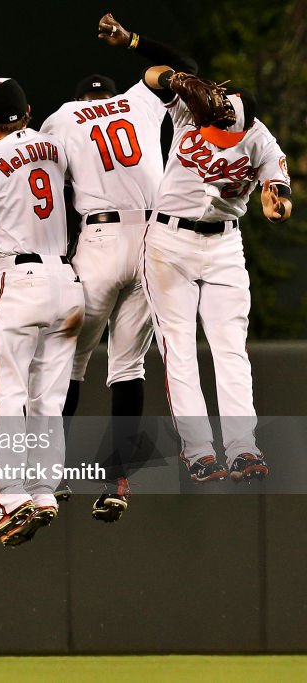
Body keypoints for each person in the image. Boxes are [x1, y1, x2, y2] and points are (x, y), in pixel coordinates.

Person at [39, 13, 197, 522]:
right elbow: (186, 69)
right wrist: (132, 41)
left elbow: (43, 187)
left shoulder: (64, 117)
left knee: (67, 361)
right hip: (154, 240)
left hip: (100, 239)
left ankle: (50, 475)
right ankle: (118, 479)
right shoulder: (139, 99)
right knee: (127, 367)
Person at [0, 77, 84, 546]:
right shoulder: (56, 149)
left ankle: (10, 495)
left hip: (19, 281)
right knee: (49, 398)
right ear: (28, 112)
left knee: (7, 394)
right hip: (67, 283)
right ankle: (44, 491)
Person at [140, 63, 293, 482]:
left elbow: (280, 192)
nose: (221, 138)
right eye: (217, 128)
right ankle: (199, 451)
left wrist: (275, 206)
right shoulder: (191, 112)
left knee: (231, 349)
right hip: (169, 243)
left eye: (229, 133)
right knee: (179, 348)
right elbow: (152, 72)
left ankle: (244, 449)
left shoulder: (260, 139)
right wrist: (173, 80)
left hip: (225, 246)